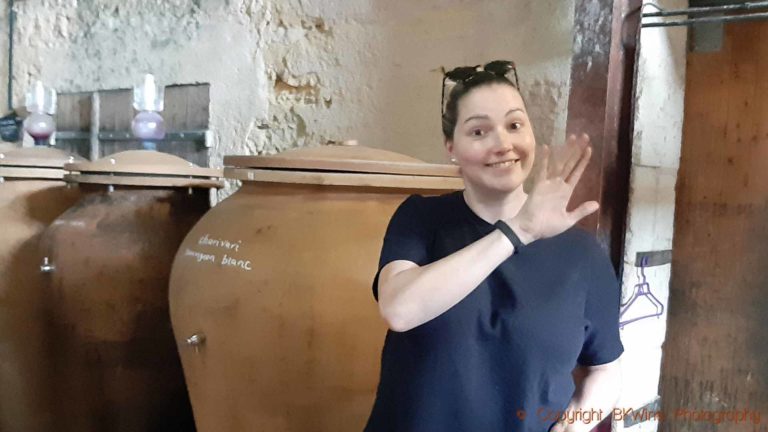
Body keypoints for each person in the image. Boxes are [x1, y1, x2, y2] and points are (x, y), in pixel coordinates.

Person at [364, 61, 623, 432]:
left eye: (514, 125)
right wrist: (519, 230)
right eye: (479, 131)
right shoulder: (421, 218)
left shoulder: (582, 255)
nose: (503, 144)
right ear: (451, 148)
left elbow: (605, 371)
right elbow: (400, 310)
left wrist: (573, 428)